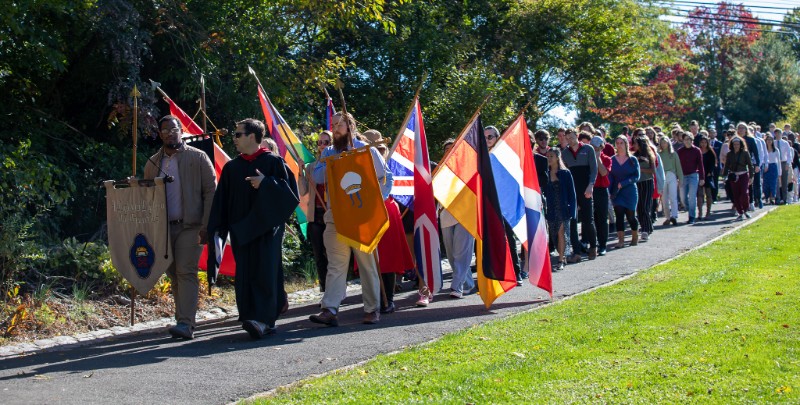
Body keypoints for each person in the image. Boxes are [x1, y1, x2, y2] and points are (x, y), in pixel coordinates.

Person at [206, 118, 299, 339]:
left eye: (238, 134)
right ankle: (250, 317)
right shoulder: (232, 167)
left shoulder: (274, 162)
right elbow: (222, 202)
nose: (234, 139)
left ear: (251, 136)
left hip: (267, 231)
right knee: (245, 274)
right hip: (241, 231)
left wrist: (266, 184)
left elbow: (290, 196)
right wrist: (215, 230)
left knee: (265, 272)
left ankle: (265, 320)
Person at [310, 112, 393, 326]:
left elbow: (386, 177)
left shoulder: (367, 150)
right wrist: (330, 161)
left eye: (340, 124)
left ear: (351, 126)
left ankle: (372, 309)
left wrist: (378, 201)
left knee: (367, 265)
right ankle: (329, 309)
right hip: (336, 217)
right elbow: (318, 177)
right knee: (336, 266)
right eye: (334, 125)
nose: (336, 128)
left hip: (361, 218)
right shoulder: (328, 151)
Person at [143, 115, 217, 340]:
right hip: (163, 229)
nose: (169, 134)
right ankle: (182, 319)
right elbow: (145, 195)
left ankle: (185, 323)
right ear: (160, 134)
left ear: (181, 130)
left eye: (173, 130)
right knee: (174, 274)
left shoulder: (198, 157)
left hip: (191, 227)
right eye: (165, 131)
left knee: (186, 272)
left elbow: (211, 193)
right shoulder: (153, 162)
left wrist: (206, 226)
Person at [361, 129, 413, 312]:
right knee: (369, 258)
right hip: (364, 210)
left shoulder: (388, 163)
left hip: (385, 209)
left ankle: (388, 299)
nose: (379, 152)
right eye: (375, 148)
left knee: (388, 256)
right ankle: (374, 298)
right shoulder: (358, 158)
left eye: (381, 148)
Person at [439, 139, 477, 298]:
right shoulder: (440, 170)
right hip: (446, 215)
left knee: (461, 252)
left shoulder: (468, 169)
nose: (449, 151)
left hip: (465, 214)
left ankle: (457, 287)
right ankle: (467, 283)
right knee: (452, 253)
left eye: (452, 149)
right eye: (446, 149)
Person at [486, 125, 522, 285]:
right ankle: (494, 275)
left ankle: (516, 273)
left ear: (497, 138)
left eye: (490, 137)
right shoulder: (480, 156)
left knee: (509, 238)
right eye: (485, 137)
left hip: (504, 204)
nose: (487, 140)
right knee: (490, 239)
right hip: (487, 203)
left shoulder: (503, 156)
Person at [298, 131, 331, 292]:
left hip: (331, 215)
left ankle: (336, 289)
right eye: (320, 142)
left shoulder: (336, 164)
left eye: (326, 142)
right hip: (315, 215)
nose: (322, 145)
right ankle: (325, 290)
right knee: (319, 256)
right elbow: (303, 191)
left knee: (332, 255)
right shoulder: (311, 167)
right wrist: (300, 171)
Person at [562, 128, 598, 262]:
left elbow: (594, 169)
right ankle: (576, 252)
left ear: (577, 136)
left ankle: (593, 247)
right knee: (572, 221)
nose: (570, 141)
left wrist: (591, 185)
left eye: (572, 138)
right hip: (572, 191)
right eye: (567, 139)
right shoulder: (564, 153)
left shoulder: (588, 149)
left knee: (588, 220)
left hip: (586, 189)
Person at [544, 148, 576, 271]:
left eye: (551, 156)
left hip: (563, 209)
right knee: (554, 235)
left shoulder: (565, 173)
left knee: (561, 233)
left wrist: (572, 211)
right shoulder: (545, 173)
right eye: (547, 156)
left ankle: (560, 260)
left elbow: (572, 194)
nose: (549, 158)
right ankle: (563, 255)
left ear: (557, 158)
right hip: (551, 209)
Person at [608, 136, 640, 248]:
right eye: (617, 143)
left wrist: (625, 182)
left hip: (630, 191)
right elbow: (610, 177)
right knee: (619, 214)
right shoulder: (612, 159)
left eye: (621, 143)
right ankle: (620, 241)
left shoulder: (632, 159)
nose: (619, 145)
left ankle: (635, 237)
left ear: (626, 144)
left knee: (631, 216)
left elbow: (636, 176)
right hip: (617, 192)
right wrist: (609, 191)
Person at [722, 136, 754, 220]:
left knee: (744, 193)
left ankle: (746, 210)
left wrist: (751, 176)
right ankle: (740, 212)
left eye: (738, 144)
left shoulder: (745, 153)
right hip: (733, 176)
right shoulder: (730, 154)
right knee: (736, 195)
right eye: (734, 144)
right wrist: (725, 176)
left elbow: (750, 165)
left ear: (741, 145)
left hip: (743, 175)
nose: (736, 146)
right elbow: (727, 166)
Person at [590, 136, 611, 255]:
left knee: (602, 218)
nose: (594, 149)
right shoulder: (587, 158)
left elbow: (603, 172)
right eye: (592, 146)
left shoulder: (607, 159)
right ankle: (592, 244)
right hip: (590, 190)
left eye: (596, 147)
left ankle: (602, 245)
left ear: (601, 147)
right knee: (591, 219)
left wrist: (597, 158)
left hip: (602, 191)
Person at [677, 133, 704, 224]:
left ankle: (692, 216)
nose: (686, 141)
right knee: (683, 198)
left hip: (693, 175)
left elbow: (700, 164)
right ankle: (689, 209)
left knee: (692, 198)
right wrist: (678, 177)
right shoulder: (680, 151)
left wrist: (702, 178)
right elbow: (677, 165)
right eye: (685, 139)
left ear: (692, 140)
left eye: (688, 139)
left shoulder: (697, 150)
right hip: (683, 176)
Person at [632, 135, 655, 240]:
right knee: (639, 208)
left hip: (648, 183)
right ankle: (646, 227)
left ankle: (646, 229)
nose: (633, 145)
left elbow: (652, 170)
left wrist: (641, 168)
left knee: (645, 207)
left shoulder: (649, 156)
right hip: (637, 183)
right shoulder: (633, 156)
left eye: (635, 144)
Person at [658, 136, 683, 225]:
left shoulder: (673, 154)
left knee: (673, 197)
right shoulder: (659, 154)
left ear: (668, 143)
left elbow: (678, 166)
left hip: (672, 175)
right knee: (664, 199)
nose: (664, 144)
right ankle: (668, 217)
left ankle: (675, 216)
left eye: (665, 142)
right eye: (662, 143)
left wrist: (681, 179)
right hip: (662, 177)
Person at [696, 135, 717, 220]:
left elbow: (713, 164)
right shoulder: (698, 151)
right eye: (702, 142)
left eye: (705, 142)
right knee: (700, 193)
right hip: (699, 175)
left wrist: (709, 172)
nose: (703, 144)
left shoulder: (710, 152)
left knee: (708, 193)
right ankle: (700, 212)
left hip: (708, 175)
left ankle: (708, 212)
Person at [763, 134, 781, 205]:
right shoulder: (764, 150)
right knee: (766, 183)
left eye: (771, 140)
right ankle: (767, 197)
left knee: (773, 183)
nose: (769, 141)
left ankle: (773, 197)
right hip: (766, 167)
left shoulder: (776, 150)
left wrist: (779, 172)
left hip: (774, 167)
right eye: (768, 140)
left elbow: (778, 161)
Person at [775, 128, 792, 204]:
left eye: (779, 133)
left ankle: (784, 199)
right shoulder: (773, 143)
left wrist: (788, 163)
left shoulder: (785, 143)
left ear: (781, 134)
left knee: (784, 182)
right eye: (776, 133)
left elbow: (789, 154)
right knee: (777, 182)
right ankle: (777, 198)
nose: (777, 134)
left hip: (784, 162)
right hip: (776, 163)